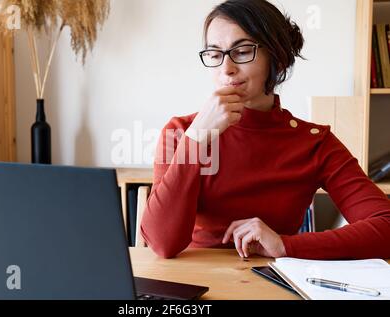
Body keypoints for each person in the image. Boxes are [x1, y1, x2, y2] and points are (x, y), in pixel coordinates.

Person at [140, 0, 390, 260]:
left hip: (274, 285)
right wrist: (196, 138)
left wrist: (285, 245)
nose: (226, 68)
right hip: (195, 288)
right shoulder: (181, 132)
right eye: (215, 54)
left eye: (242, 51)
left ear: (278, 59)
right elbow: (162, 244)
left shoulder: (314, 142)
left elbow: (385, 226)